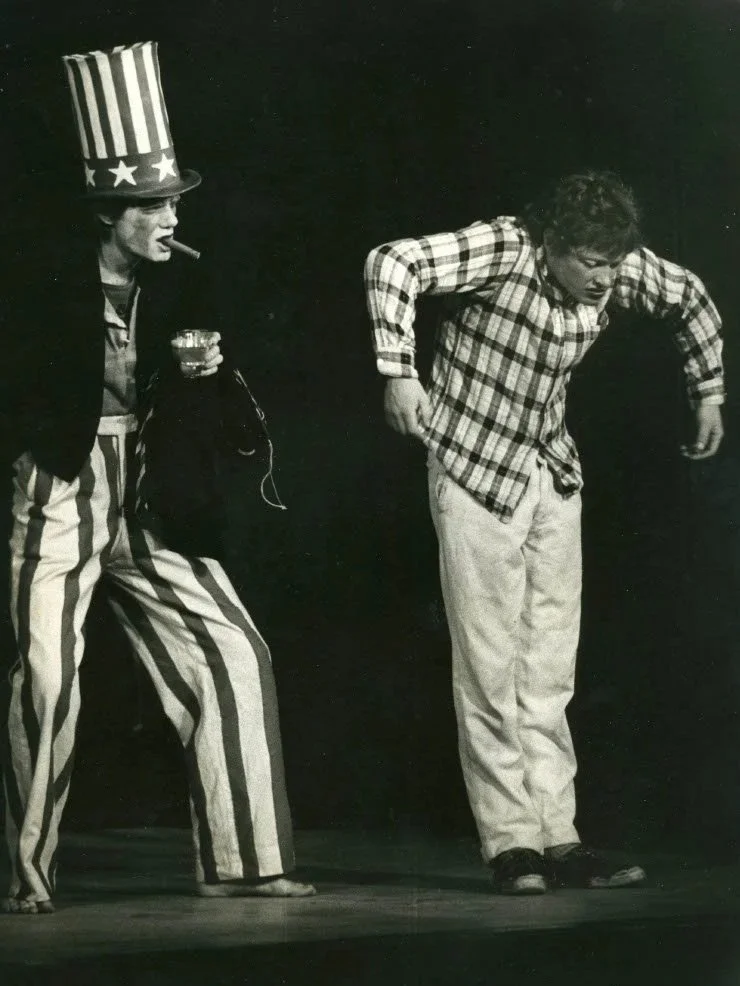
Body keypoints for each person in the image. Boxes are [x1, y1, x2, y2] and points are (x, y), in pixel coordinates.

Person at [0, 41, 315, 914]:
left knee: (233, 656)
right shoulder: (36, 283)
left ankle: (251, 862)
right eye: (156, 206)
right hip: (60, 485)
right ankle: (26, 877)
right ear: (112, 213)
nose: (173, 218)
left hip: (152, 486)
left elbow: (215, 400)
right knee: (48, 679)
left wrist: (208, 378)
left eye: (175, 201)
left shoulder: (187, 284)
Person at [363, 171, 724, 894]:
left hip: (549, 473)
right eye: (591, 263)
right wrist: (397, 370)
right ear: (555, 245)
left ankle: (559, 835)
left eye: (614, 263)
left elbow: (690, 298)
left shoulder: (615, 266)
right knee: (490, 663)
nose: (605, 279)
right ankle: (510, 841)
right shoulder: (505, 248)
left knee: (549, 665)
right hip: (472, 472)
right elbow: (391, 262)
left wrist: (708, 389)